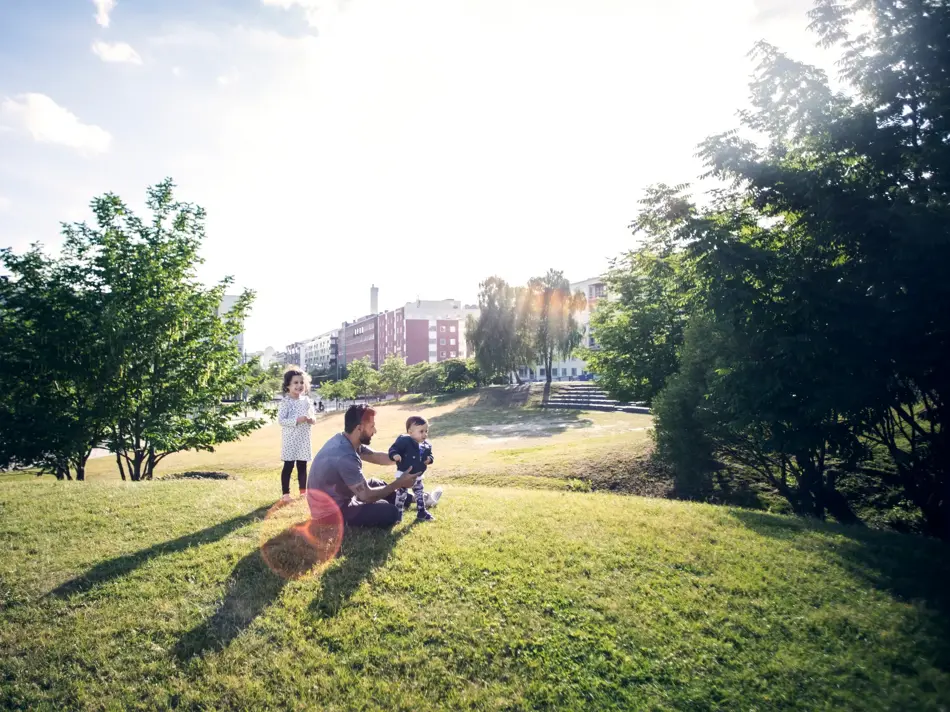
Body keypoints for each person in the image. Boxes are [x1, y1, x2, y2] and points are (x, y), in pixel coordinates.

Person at [307, 404, 418, 528]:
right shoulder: (345, 456)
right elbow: (366, 495)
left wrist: (405, 458)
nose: (375, 431)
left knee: (376, 483)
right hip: (329, 513)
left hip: (339, 497)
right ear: (359, 428)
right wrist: (399, 483)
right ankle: (399, 502)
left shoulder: (347, 440)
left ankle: (416, 499)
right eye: (372, 426)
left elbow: (376, 456)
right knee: (390, 512)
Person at [388, 415, 441, 522]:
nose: (425, 434)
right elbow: (393, 448)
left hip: (418, 475)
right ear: (410, 432)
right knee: (401, 495)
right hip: (404, 475)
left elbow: (430, 455)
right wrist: (395, 455)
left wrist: (429, 459)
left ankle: (421, 512)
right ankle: (398, 514)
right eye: (421, 431)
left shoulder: (426, 445)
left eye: (426, 431)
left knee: (419, 494)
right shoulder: (404, 441)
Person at [277, 368, 315, 503]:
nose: (299, 385)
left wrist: (310, 420)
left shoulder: (306, 401)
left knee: (302, 466)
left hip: (303, 439)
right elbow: (281, 420)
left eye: (301, 382)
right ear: (288, 385)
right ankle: (285, 494)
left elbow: (313, 417)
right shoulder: (285, 402)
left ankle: (303, 492)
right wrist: (296, 420)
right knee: (288, 466)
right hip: (290, 440)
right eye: (295, 383)